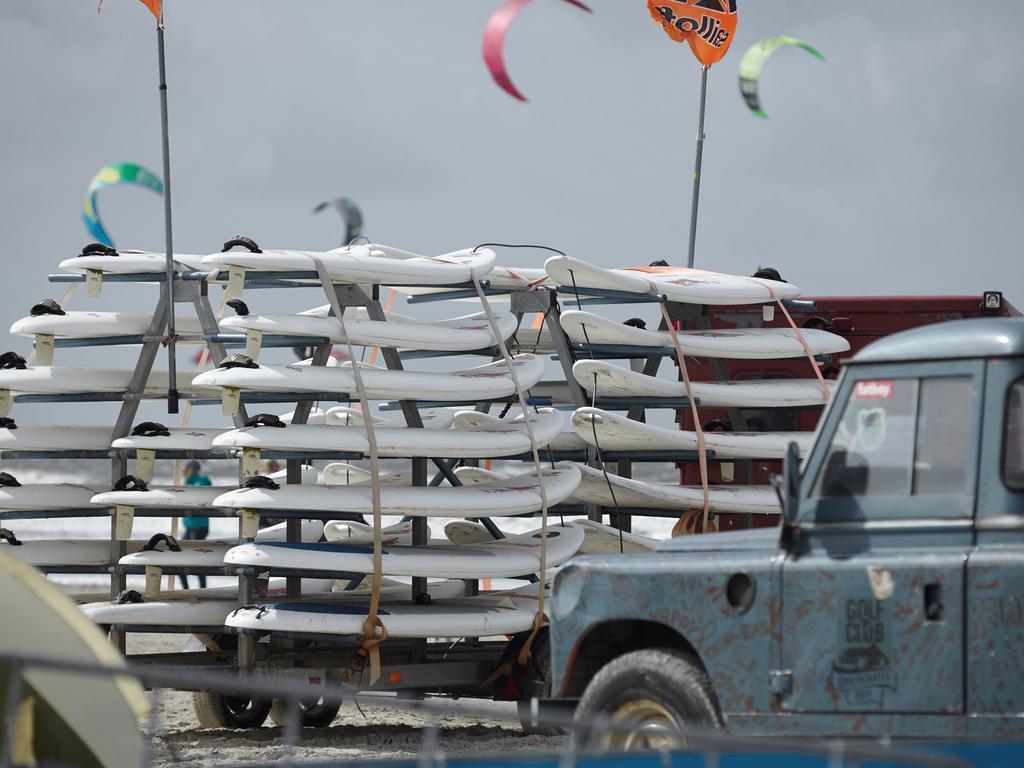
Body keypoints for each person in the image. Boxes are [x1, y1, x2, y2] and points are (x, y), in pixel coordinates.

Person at [180, 460, 212, 589]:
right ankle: (185, 589)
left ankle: (202, 588)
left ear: (191, 469)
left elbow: (199, 494)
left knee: (197, 559)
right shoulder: (188, 481)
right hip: (190, 526)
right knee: (179, 555)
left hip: (199, 526)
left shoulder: (202, 480)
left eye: (186, 468)